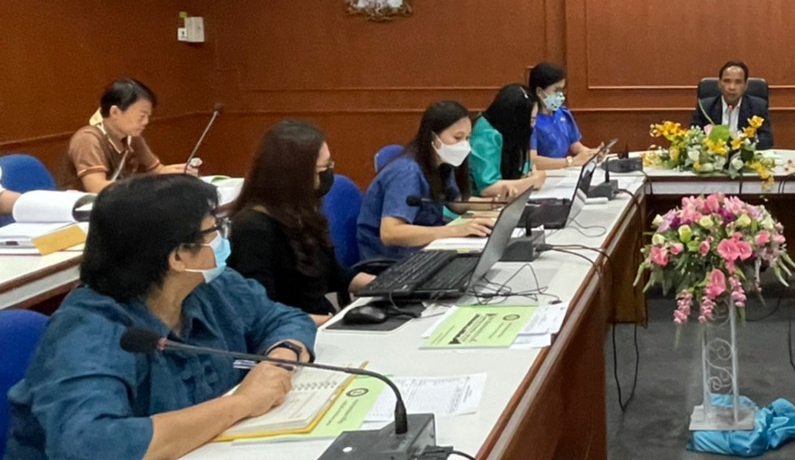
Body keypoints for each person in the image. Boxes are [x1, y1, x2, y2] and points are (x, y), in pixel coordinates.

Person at [0, 175, 317, 460]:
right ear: (178, 256)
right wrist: (242, 403)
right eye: (214, 229)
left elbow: (284, 318)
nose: (223, 237)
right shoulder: (90, 330)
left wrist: (278, 363)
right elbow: (89, 448)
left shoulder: (206, 287)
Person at [230, 121, 374, 323]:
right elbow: (263, 313)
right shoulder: (252, 229)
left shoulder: (300, 212)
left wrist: (391, 286)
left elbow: (334, 275)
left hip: (322, 320)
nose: (329, 173)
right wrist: (336, 322)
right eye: (324, 167)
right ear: (297, 174)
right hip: (295, 332)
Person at [356, 101, 494, 260]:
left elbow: (454, 202)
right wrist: (456, 230)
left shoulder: (440, 163)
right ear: (433, 137)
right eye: (457, 137)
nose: (464, 145)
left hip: (424, 248)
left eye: (467, 138)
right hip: (391, 260)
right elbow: (391, 233)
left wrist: (495, 204)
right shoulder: (407, 173)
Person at [60, 79, 196, 192]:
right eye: (141, 116)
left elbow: (157, 170)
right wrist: (147, 183)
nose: (146, 122)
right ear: (115, 112)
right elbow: (97, 188)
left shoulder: (132, 137)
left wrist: (179, 172)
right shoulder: (88, 139)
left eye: (148, 116)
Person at [470, 85, 548, 202]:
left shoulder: (513, 132)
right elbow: (488, 188)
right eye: (531, 120)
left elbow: (526, 168)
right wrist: (532, 182)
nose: (533, 125)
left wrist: (530, 174)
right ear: (515, 118)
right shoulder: (486, 134)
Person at [528, 62, 597, 170]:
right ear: (540, 92)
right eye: (556, 90)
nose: (560, 95)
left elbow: (575, 145)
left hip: (563, 173)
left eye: (562, 90)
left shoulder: (563, 113)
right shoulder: (531, 121)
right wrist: (570, 162)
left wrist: (591, 155)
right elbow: (532, 161)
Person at [691, 60, 774, 149]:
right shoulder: (705, 107)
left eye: (738, 82)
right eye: (727, 81)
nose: (732, 87)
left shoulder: (758, 107)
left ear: (745, 85)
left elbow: (767, 140)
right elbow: (693, 137)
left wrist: (744, 143)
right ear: (719, 83)